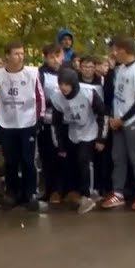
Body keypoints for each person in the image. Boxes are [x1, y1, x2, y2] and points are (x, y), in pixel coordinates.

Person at [0, 43, 45, 210]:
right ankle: (12, 192)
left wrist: (39, 118)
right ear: (7, 55)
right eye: (16, 53)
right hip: (7, 122)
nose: (20, 56)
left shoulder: (32, 73)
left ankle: (30, 193)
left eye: (22, 53)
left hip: (27, 121)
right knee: (10, 160)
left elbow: (39, 96)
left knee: (28, 160)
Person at [101, 37, 135, 211]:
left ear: (124, 50)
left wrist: (122, 119)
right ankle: (118, 192)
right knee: (118, 157)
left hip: (133, 120)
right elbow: (118, 96)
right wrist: (114, 118)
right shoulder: (120, 69)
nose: (114, 53)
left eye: (116, 49)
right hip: (119, 120)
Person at [50, 67, 104, 213]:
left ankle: (88, 195)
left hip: (90, 131)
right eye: (61, 84)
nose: (63, 88)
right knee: (70, 163)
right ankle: (74, 191)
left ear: (73, 83)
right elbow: (56, 123)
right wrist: (60, 146)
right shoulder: (57, 98)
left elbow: (102, 114)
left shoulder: (88, 93)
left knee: (84, 160)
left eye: (67, 84)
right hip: (72, 132)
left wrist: (101, 138)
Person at [37, 43, 66, 206]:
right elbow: (38, 97)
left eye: (58, 56)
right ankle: (49, 189)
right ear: (46, 57)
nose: (55, 60)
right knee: (47, 157)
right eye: (51, 57)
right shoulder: (40, 74)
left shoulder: (67, 73)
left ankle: (60, 190)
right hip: (46, 120)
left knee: (61, 157)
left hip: (63, 122)